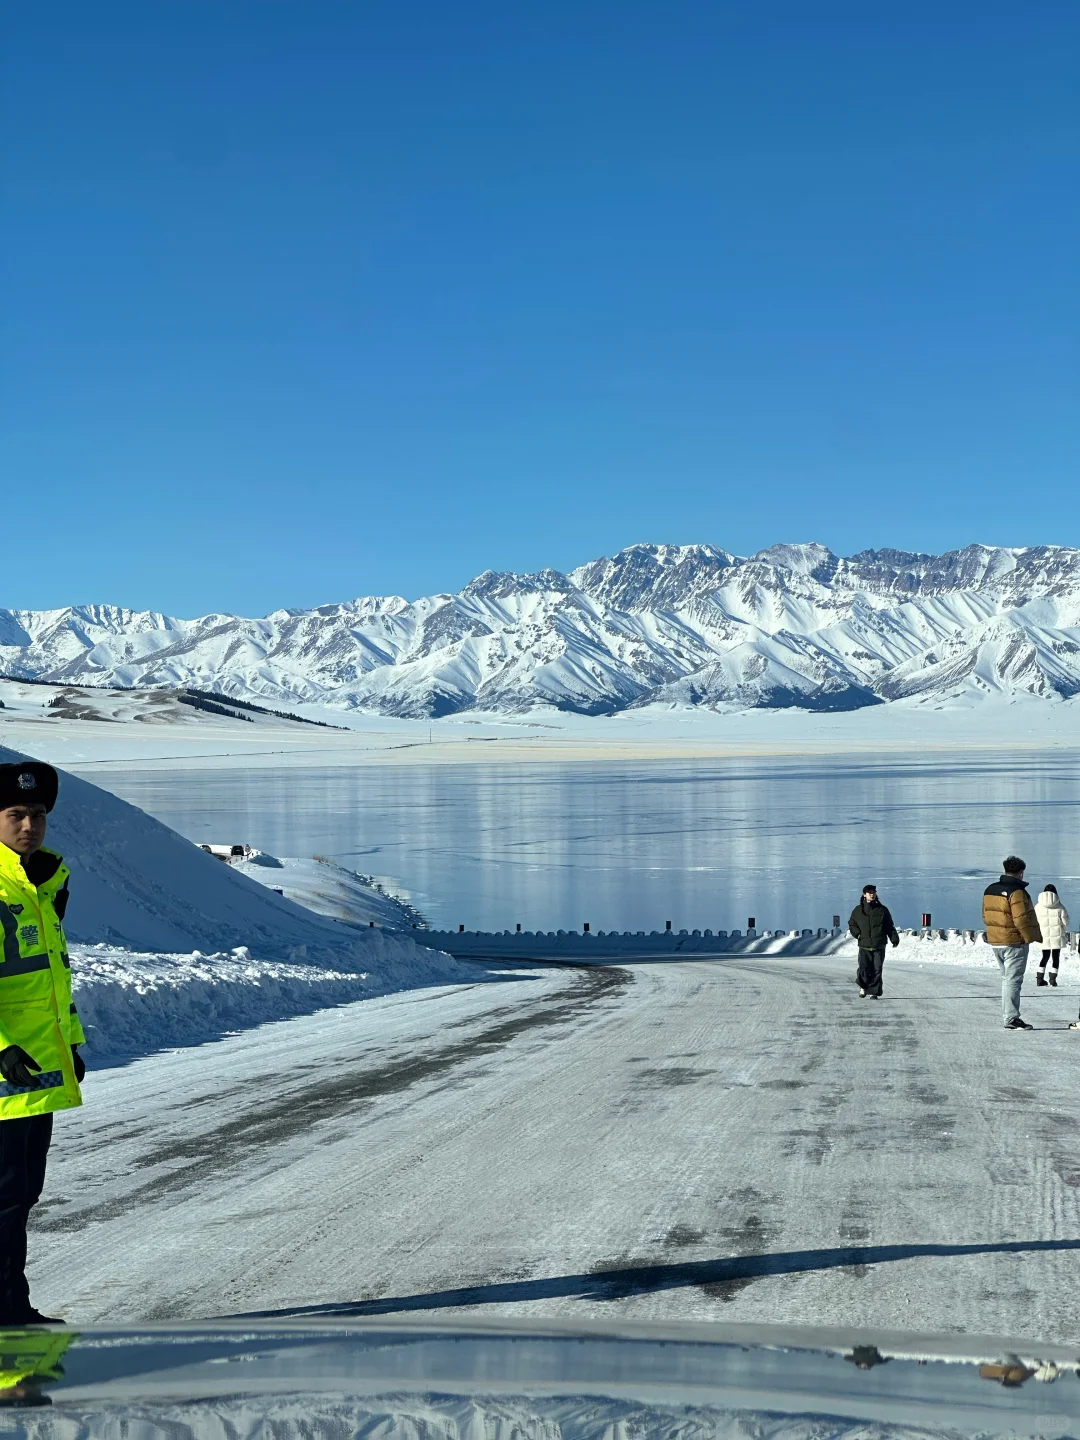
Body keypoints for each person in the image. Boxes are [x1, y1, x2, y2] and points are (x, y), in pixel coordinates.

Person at [0, 761, 85, 1326]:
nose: (29, 825)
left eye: (37, 815)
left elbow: (55, 978)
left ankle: (14, 1306)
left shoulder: (47, 881)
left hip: (38, 1074)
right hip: (3, 1072)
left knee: (22, 1195)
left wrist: (71, 1044)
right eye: (15, 815)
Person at [982, 855, 1042, 1031]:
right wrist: (1030, 937)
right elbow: (1021, 919)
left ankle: (1009, 1015)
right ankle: (1011, 1018)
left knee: (1006, 980)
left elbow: (985, 915)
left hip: (996, 942)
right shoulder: (1017, 892)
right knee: (1013, 981)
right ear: (1021, 873)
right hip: (1014, 942)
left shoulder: (990, 890)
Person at [848, 884, 899, 999]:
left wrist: (894, 938)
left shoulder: (882, 910)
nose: (872, 894)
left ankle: (874, 992)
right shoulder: (858, 910)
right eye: (870, 892)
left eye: (874, 892)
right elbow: (852, 923)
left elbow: (889, 926)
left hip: (879, 944)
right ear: (864, 895)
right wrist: (857, 934)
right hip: (864, 945)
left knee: (877, 969)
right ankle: (863, 987)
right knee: (864, 968)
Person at [1034, 884, 1069, 987]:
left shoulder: (1038, 906)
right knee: (1055, 957)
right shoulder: (1060, 906)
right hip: (1057, 936)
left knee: (1044, 956)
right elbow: (1066, 921)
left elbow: (1034, 920)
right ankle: (1053, 979)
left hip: (1043, 936)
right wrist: (1062, 930)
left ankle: (1040, 979)